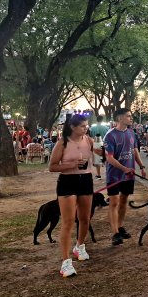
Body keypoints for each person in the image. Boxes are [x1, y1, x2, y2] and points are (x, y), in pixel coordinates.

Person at [49, 114, 94, 277]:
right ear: (73, 127)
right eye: (82, 126)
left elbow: (102, 154)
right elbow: (52, 166)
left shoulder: (88, 140)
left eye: (86, 125)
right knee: (68, 221)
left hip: (86, 179)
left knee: (85, 218)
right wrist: (72, 165)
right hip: (68, 181)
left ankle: (80, 246)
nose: (85, 128)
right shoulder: (63, 142)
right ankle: (65, 262)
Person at [104, 108, 146, 246]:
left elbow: (134, 150)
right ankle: (115, 233)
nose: (131, 118)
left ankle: (120, 227)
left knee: (123, 200)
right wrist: (123, 169)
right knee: (114, 202)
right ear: (120, 118)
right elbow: (109, 158)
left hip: (129, 175)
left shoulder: (131, 133)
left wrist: (141, 166)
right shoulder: (110, 135)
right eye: (128, 116)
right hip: (114, 176)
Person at [89, 115, 110, 180]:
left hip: (96, 144)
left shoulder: (92, 128)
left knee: (97, 160)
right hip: (105, 144)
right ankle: (108, 174)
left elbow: (91, 136)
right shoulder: (106, 127)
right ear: (102, 120)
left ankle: (98, 175)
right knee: (107, 158)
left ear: (96, 120)